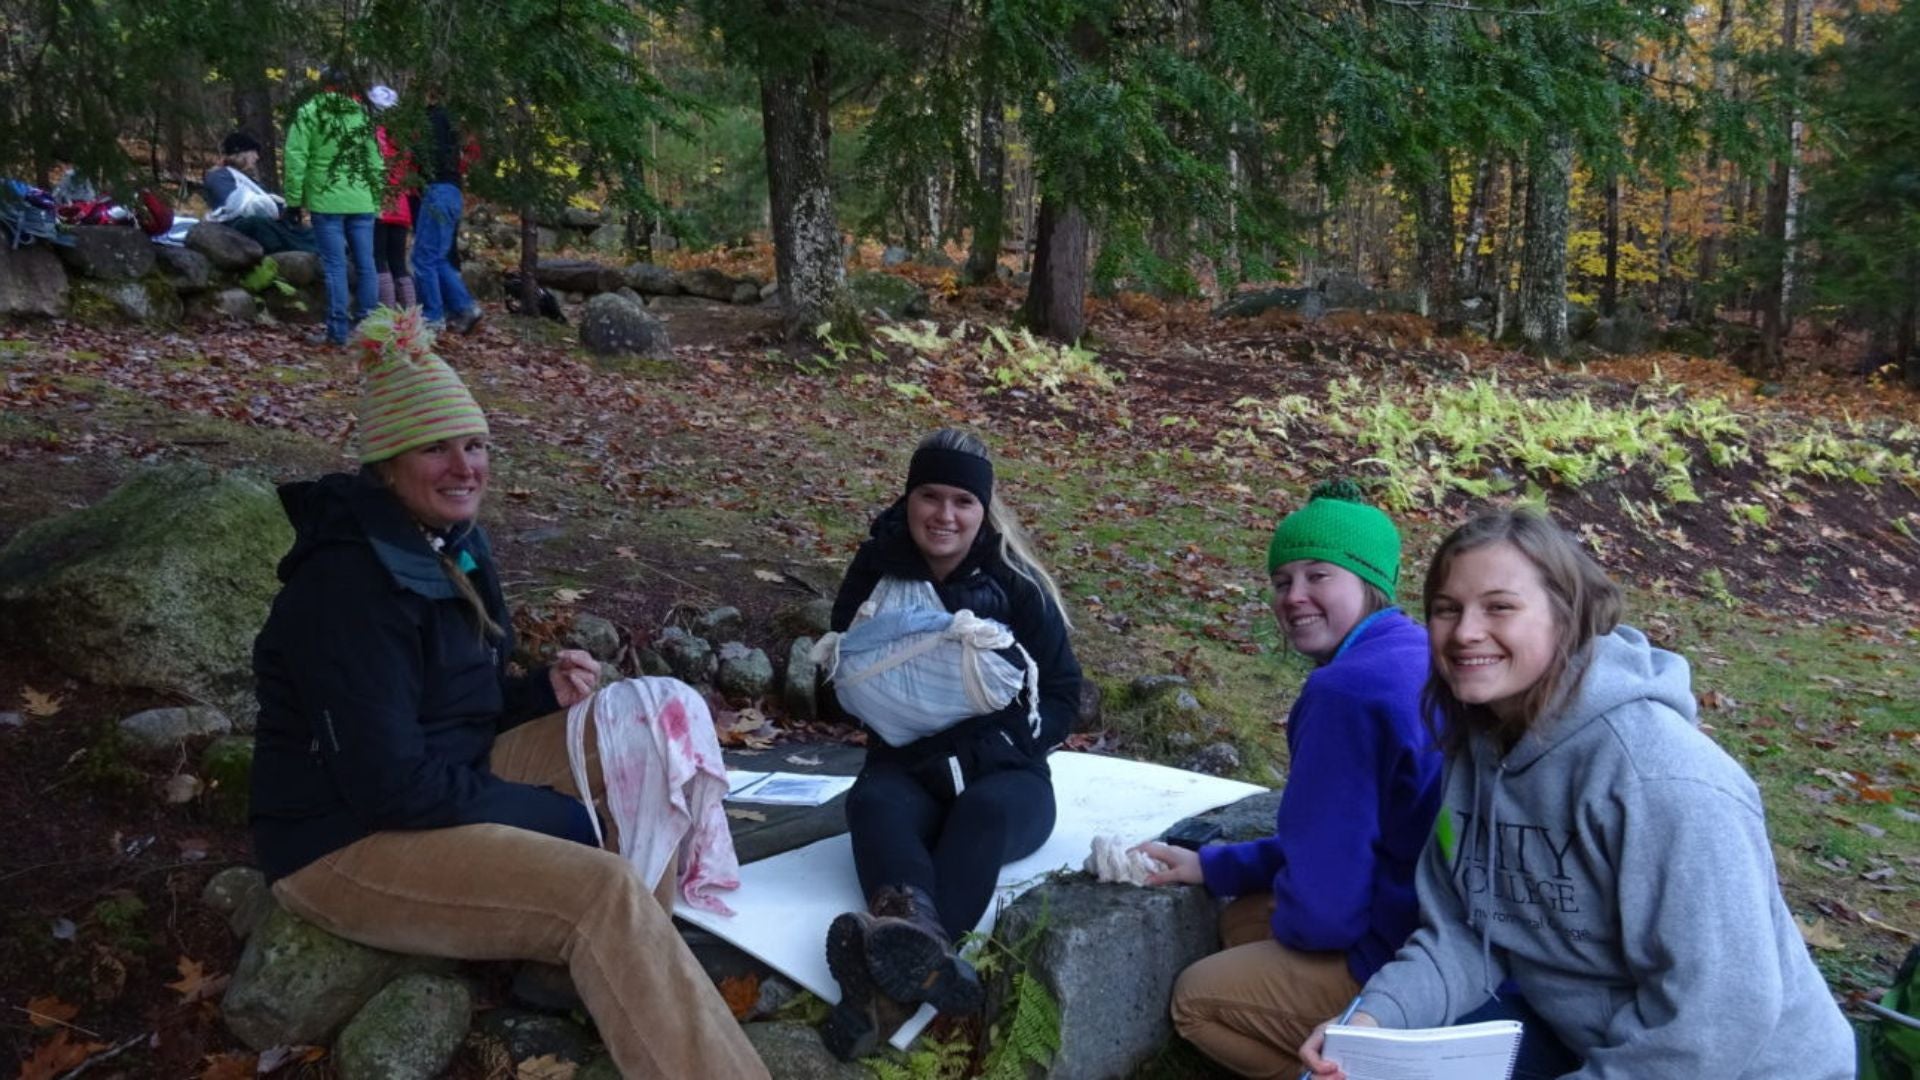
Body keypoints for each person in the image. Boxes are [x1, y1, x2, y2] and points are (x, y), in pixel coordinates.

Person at [249, 308, 768, 1078]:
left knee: (654, 729)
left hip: (442, 778)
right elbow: (386, 782)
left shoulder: (449, 543)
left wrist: (534, 696)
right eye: (436, 448)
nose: (465, 467)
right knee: (602, 890)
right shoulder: (346, 587)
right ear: (386, 464)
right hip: (343, 842)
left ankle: (595, 975)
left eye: (475, 444)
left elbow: (454, 705)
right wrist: (558, 821)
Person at [1299, 508, 1855, 1080]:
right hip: (1580, 1036)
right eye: (1447, 609)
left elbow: (1716, 1021)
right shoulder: (1481, 746)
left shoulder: (1662, 780)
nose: (1465, 632)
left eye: (1500, 607)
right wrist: (1370, 1024)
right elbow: (1465, 934)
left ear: (1566, 617)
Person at [1131, 479, 1441, 1079]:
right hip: (1436, 923)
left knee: (1196, 999)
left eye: (1318, 575)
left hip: (1404, 959)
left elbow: (1326, 912)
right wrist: (1214, 866)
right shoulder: (1417, 650)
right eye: (1281, 580)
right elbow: (1348, 836)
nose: (1293, 596)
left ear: (1369, 583)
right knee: (1241, 918)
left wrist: (1297, 925)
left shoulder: (1344, 693)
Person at [819, 428, 1082, 1060]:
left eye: (963, 501)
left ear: (983, 510)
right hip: (907, 768)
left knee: (982, 813)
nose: (944, 515)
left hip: (1006, 779)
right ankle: (919, 956)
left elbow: (1066, 695)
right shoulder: (876, 573)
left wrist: (991, 746)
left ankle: (875, 995)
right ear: (907, 499)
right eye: (930, 496)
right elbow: (840, 681)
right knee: (872, 803)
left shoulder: (1016, 585)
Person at [284, 66, 382, 346]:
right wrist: (375, 199)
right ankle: (369, 328)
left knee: (335, 266)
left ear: (322, 86)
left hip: (326, 201)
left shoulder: (310, 112)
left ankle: (338, 332)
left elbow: (296, 157)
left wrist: (293, 201)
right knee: (367, 265)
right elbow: (375, 160)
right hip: (361, 199)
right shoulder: (361, 114)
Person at [411, 92, 483, 334]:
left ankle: (433, 316)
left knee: (424, 258)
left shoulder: (431, 119)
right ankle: (462, 307)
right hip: (451, 191)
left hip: (437, 190)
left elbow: (422, 153)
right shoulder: (452, 122)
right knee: (438, 258)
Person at [203, 132, 317, 255]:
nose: (257, 157)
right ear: (240, 153)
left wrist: (287, 208)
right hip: (235, 226)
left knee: (309, 231)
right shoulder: (218, 176)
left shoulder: (248, 180)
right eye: (253, 153)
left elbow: (269, 202)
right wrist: (269, 204)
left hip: (269, 222)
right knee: (257, 224)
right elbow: (233, 205)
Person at [367, 85, 416, 310]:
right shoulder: (403, 139)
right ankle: (410, 318)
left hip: (378, 205)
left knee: (378, 260)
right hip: (401, 205)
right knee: (399, 263)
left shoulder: (372, 135)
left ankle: (386, 315)